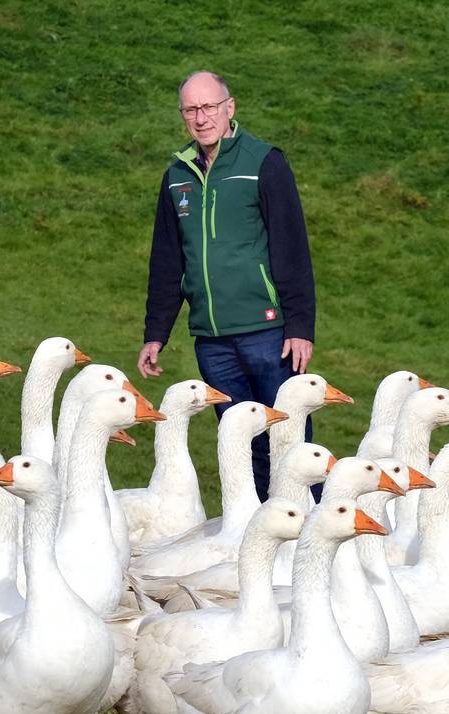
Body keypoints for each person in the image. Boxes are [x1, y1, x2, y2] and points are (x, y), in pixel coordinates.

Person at [138, 70, 316, 501]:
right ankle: (257, 539)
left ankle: (312, 538)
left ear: (229, 108)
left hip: (270, 333)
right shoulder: (176, 177)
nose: (201, 118)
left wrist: (299, 328)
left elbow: (292, 247)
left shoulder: (264, 163)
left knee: (290, 445)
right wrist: (155, 334)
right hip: (213, 343)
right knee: (241, 451)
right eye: (191, 110)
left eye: (209, 107)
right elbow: (168, 260)